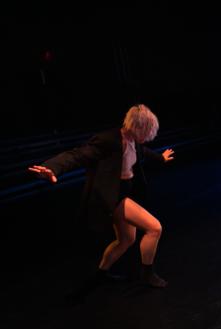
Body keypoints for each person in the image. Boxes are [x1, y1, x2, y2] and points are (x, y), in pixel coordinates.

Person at [29, 104, 173, 289]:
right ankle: (147, 274)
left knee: (126, 240)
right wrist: (52, 167)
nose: (146, 138)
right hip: (112, 196)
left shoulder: (135, 141)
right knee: (154, 228)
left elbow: (143, 152)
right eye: (145, 132)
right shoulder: (108, 140)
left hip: (123, 194)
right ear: (135, 126)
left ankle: (100, 274)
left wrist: (161, 158)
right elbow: (77, 155)